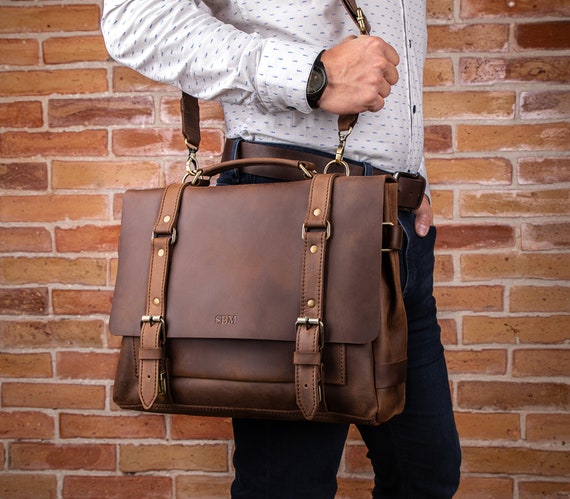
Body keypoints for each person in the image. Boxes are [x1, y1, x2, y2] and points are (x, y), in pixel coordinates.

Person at [101, 1, 462, 497]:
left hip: (396, 229)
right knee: (289, 487)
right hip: (292, 226)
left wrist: (411, 177)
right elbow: (133, 18)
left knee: (428, 474)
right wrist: (310, 76)